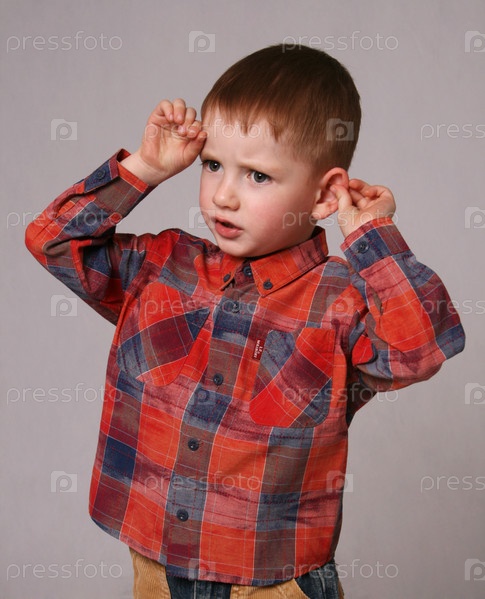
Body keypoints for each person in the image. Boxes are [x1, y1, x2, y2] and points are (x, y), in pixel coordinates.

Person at [25, 44, 465, 598]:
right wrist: (145, 169)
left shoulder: (341, 301)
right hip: (156, 567)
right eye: (213, 165)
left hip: (272, 580)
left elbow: (419, 349)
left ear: (324, 194)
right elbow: (53, 241)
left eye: (257, 175)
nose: (224, 195)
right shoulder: (161, 266)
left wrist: (370, 235)